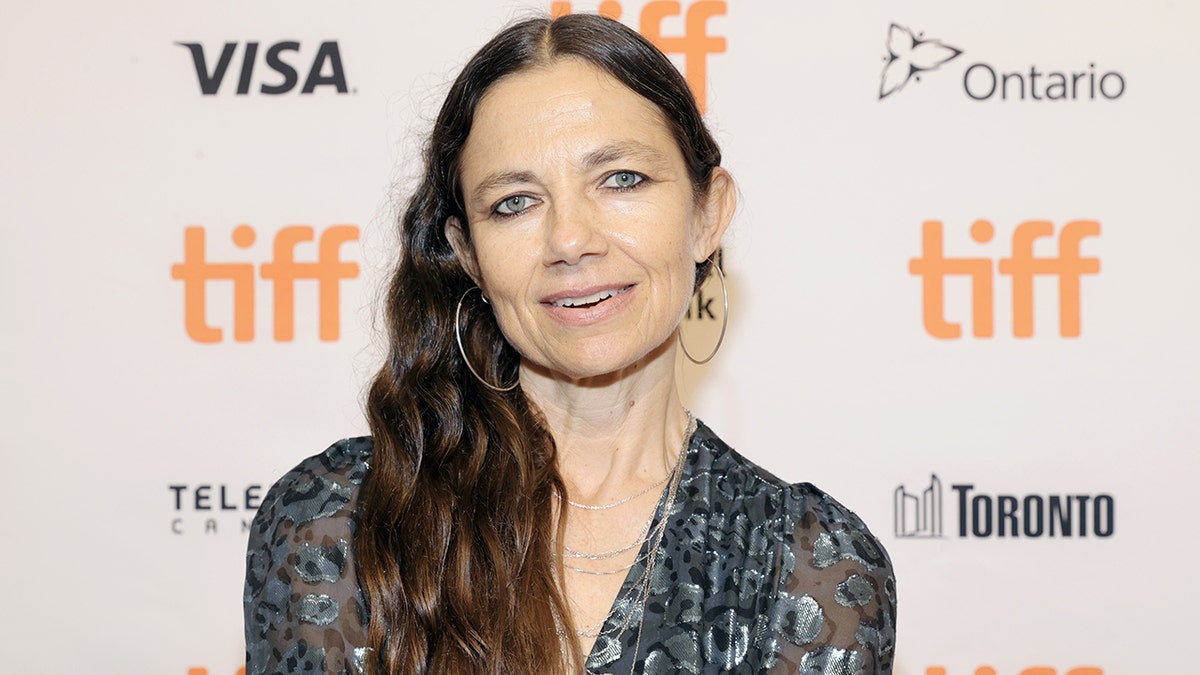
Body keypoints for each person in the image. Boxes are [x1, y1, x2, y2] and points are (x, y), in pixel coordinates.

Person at [243, 13, 896, 675]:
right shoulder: (337, 522)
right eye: (515, 202)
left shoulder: (810, 561)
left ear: (707, 215)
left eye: (620, 180)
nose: (570, 239)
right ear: (468, 254)